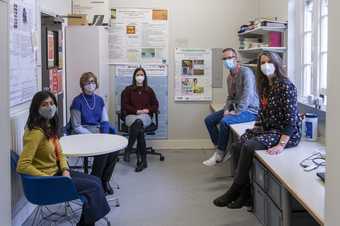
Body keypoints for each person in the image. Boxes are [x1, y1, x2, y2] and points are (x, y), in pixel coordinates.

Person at [213, 51, 302, 209]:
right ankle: (245, 194)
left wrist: (281, 145)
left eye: (269, 62)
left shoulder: (286, 86)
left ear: (276, 64)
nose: (265, 65)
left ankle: (235, 190)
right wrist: (255, 130)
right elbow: (262, 112)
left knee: (249, 146)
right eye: (262, 63)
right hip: (268, 129)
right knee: (237, 145)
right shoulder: (266, 86)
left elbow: (291, 119)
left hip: (284, 133)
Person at [17, 91, 110, 226]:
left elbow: (59, 153)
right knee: (94, 187)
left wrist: (65, 169)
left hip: (59, 173)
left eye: (51, 103)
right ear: (36, 108)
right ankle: (86, 223)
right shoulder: (35, 133)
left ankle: (86, 222)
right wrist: (47, 178)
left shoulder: (48, 126)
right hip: (49, 180)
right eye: (44, 104)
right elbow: (22, 165)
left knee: (96, 180)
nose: (49, 107)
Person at [203, 48, 259, 166]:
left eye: (229, 57)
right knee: (209, 120)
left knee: (225, 122)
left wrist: (236, 112)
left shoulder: (246, 72)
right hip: (235, 107)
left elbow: (247, 96)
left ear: (236, 58)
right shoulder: (229, 77)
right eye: (224, 58)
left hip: (250, 110)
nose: (227, 60)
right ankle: (222, 148)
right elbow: (230, 96)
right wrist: (227, 109)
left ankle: (219, 154)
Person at [70, 72, 118, 195]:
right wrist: (94, 137)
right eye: (87, 82)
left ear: (96, 84)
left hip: (98, 132)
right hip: (83, 135)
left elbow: (104, 120)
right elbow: (76, 126)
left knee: (113, 149)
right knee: (102, 151)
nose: (90, 85)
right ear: (82, 85)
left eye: (92, 82)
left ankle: (104, 180)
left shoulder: (100, 100)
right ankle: (95, 180)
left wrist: (105, 136)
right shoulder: (77, 101)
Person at [121, 67, 159, 172]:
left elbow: (155, 105)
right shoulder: (128, 90)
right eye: (138, 74)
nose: (140, 77)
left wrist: (147, 110)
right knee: (139, 126)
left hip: (145, 117)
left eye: (142, 75)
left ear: (145, 77)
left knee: (139, 123)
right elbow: (124, 106)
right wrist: (136, 111)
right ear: (134, 76)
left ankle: (128, 149)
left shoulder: (149, 90)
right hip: (131, 116)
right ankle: (144, 161)